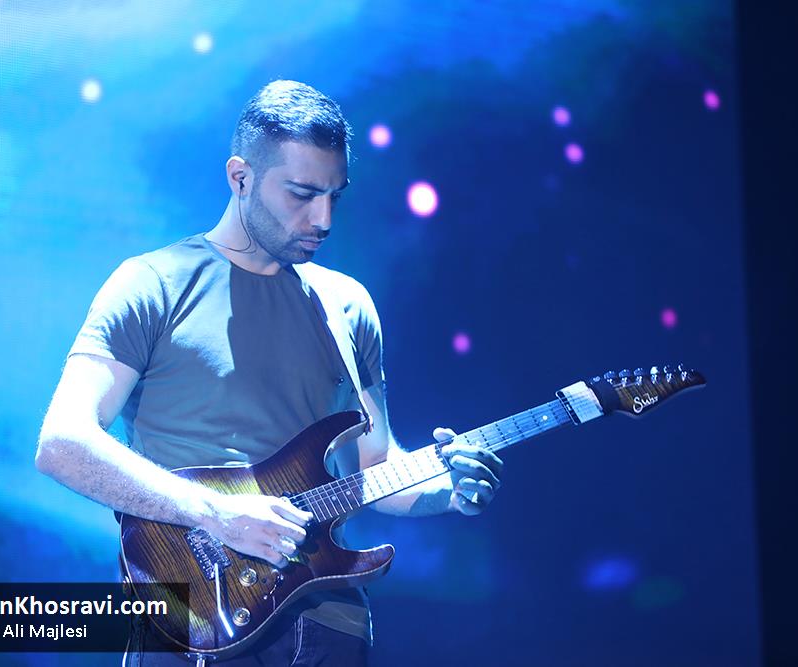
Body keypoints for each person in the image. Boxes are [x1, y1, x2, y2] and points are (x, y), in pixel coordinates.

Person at [34, 80, 504, 666]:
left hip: (330, 623)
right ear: (240, 178)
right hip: (195, 618)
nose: (323, 219)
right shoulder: (152, 283)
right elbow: (62, 443)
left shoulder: (348, 304)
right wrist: (214, 513)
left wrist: (445, 493)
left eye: (335, 197)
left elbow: (375, 465)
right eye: (302, 194)